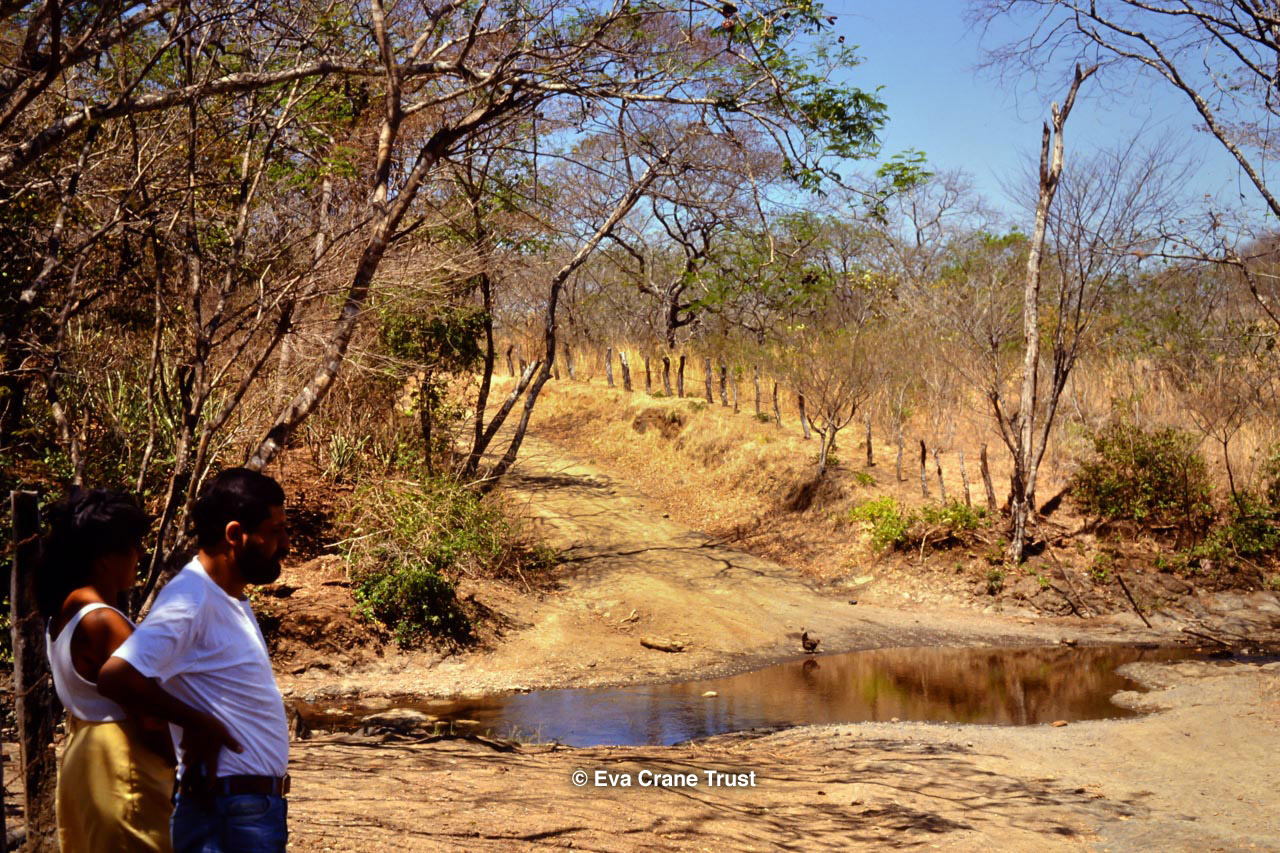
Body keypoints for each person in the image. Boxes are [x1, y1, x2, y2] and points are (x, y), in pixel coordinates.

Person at [99, 468, 292, 853]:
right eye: (275, 531)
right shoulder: (191, 599)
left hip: (244, 809)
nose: (285, 544)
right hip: (228, 814)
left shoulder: (226, 597)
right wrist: (199, 722)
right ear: (235, 535)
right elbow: (117, 675)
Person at [39, 488, 176, 852]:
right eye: (132, 546)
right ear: (104, 558)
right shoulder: (103, 622)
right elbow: (149, 716)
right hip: (122, 768)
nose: (139, 555)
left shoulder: (63, 613)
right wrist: (178, 768)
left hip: (84, 764)